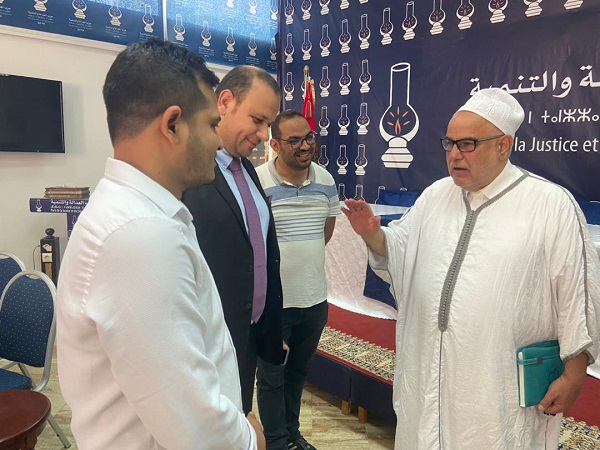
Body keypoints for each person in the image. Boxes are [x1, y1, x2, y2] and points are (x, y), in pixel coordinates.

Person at [342, 88, 600, 449]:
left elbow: (578, 291)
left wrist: (574, 374)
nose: (454, 154)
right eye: (450, 144)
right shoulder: (436, 195)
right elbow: (403, 252)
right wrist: (374, 236)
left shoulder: (549, 205)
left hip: (496, 385)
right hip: (429, 370)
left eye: (468, 144)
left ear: (504, 145)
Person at [56, 40, 265, 450]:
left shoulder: (137, 214)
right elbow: (191, 427)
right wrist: (248, 439)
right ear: (172, 125)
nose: (217, 142)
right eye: (211, 125)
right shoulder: (140, 235)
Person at [182, 65, 284, 415]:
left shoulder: (247, 169)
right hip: (206, 344)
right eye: (257, 120)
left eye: (269, 124)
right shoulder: (190, 172)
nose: (264, 134)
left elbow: (259, 251)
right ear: (225, 102)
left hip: (246, 336)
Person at [255, 110, 340, 450]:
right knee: (272, 378)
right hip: (273, 305)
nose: (305, 146)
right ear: (275, 144)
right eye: (294, 140)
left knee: (297, 374)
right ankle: (276, 442)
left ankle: (292, 434)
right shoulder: (257, 182)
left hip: (314, 301)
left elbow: (324, 234)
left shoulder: (326, 180)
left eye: (308, 138)